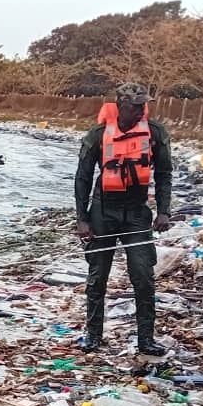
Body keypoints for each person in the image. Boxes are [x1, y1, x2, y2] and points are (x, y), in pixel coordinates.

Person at [75, 82, 174, 355]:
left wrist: (164, 211)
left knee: (143, 275)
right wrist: (82, 219)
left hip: (137, 213)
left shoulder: (155, 134)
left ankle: (146, 340)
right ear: (120, 106)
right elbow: (82, 178)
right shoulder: (97, 135)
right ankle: (93, 336)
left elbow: (164, 174)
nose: (141, 110)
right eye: (135, 106)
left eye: (144, 105)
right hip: (102, 212)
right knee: (97, 277)